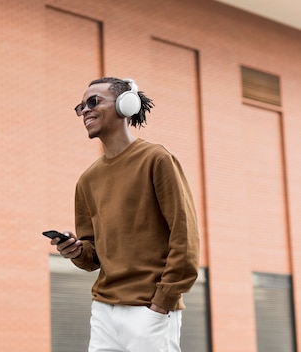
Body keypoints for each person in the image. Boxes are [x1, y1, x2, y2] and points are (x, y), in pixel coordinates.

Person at [50, 77, 200, 352]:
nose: (84, 111)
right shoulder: (87, 180)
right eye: (80, 106)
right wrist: (76, 251)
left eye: (93, 102)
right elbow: (92, 256)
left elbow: (185, 238)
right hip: (104, 311)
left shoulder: (156, 159)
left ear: (125, 105)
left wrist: (161, 303)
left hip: (149, 309)